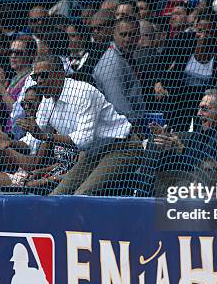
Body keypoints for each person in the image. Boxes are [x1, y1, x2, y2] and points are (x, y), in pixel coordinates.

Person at [17, 54, 144, 196]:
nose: (40, 81)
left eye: (44, 75)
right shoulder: (47, 101)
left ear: (60, 73)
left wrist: (45, 136)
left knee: (82, 194)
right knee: (57, 195)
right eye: (36, 77)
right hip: (94, 153)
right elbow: (32, 140)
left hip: (122, 147)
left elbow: (84, 140)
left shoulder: (82, 92)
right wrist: (9, 143)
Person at [92, 16, 146, 126]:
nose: (127, 39)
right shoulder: (112, 62)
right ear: (114, 35)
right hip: (120, 128)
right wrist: (134, 129)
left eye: (132, 35)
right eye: (123, 34)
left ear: (139, 36)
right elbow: (118, 104)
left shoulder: (126, 56)